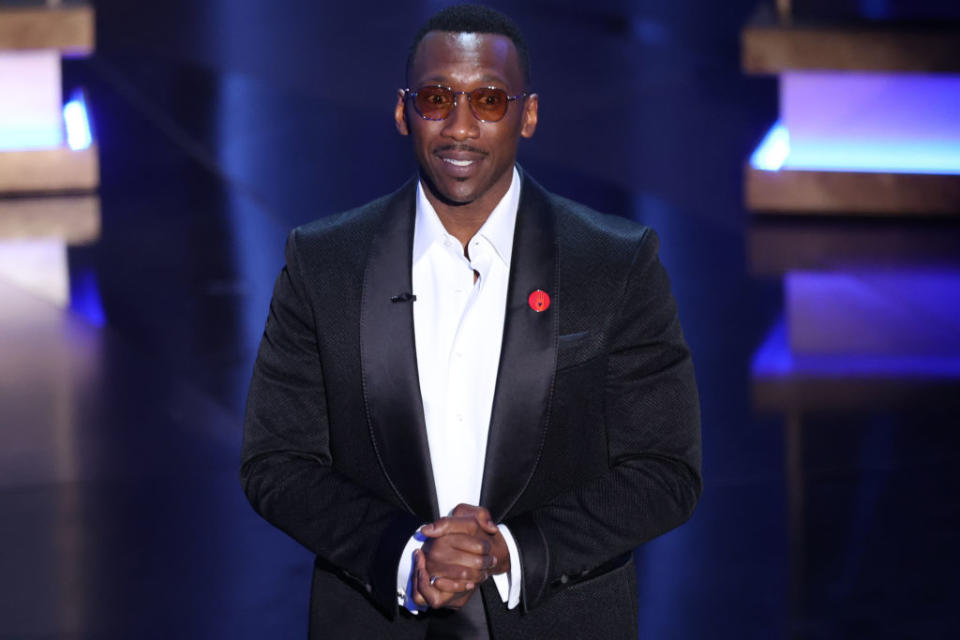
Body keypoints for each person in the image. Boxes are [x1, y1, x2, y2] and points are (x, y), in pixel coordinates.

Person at [240, 4, 702, 638]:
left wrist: (511, 549)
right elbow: (276, 462)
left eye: (488, 99)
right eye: (437, 98)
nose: (460, 127)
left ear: (527, 114)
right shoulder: (324, 263)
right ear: (404, 111)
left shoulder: (614, 264)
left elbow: (665, 470)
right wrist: (404, 555)